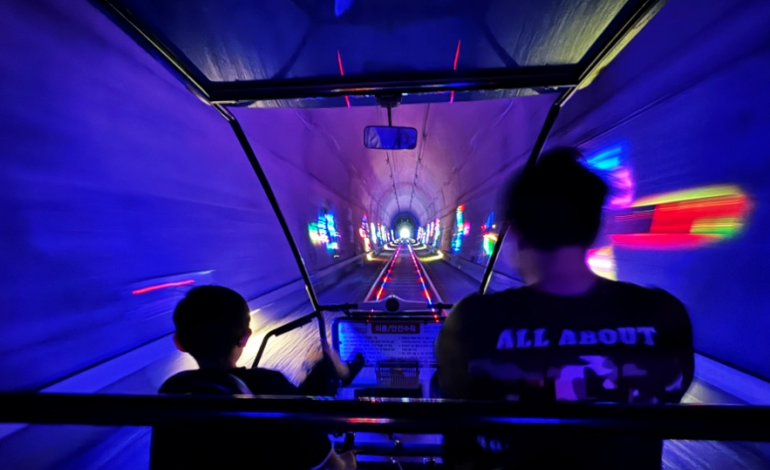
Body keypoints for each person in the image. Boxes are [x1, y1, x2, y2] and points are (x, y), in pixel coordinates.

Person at [435, 147, 694, 469]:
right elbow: (668, 397)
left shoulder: (472, 322)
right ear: (594, 228)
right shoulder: (662, 316)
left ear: (517, 233)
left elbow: (456, 412)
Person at [150, 285, 358, 470]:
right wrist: (348, 462)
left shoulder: (173, 390)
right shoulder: (269, 384)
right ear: (245, 337)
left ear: (179, 343)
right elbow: (332, 465)